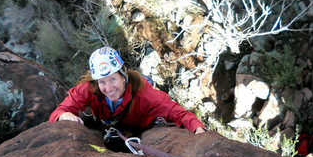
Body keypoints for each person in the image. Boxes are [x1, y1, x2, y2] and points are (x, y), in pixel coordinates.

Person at [49, 46, 206, 135]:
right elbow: (60, 110)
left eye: (112, 79)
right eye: (102, 82)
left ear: (123, 76)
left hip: (140, 130)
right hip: (110, 128)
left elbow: (177, 112)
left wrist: (198, 129)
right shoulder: (89, 89)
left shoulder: (144, 94)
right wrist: (64, 115)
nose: (108, 88)